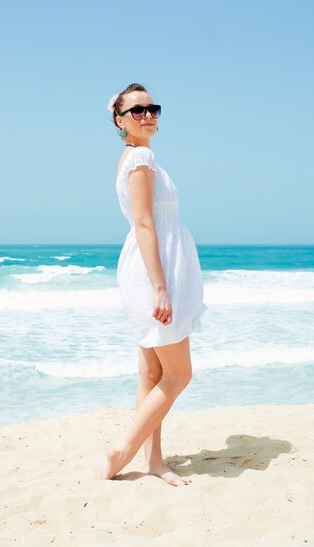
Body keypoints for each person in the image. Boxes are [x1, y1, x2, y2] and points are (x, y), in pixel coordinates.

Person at [96, 83, 207, 487]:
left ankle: (154, 461)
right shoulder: (141, 157)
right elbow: (145, 223)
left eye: (152, 108)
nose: (147, 115)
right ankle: (124, 450)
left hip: (148, 267)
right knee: (178, 376)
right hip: (153, 273)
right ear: (119, 119)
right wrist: (161, 288)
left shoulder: (134, 156)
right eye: (137, 111)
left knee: (152, 372)